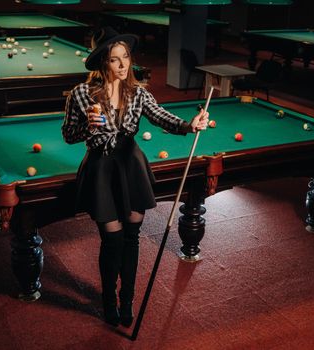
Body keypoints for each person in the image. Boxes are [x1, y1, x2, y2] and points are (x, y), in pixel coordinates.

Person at [62, 26, 209, 327]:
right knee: (111, 241)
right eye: (114, 59)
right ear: (102, 62)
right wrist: (88, 127)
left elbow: (160, 116)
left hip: (131, 166)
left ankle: (126, 299)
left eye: (125, 57)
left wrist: (189, 125)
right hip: (102, 168)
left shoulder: (138, 92)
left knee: (132, 238)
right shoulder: (80, 94)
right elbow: (68, 135)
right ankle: (108, 300)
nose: (122, 65)